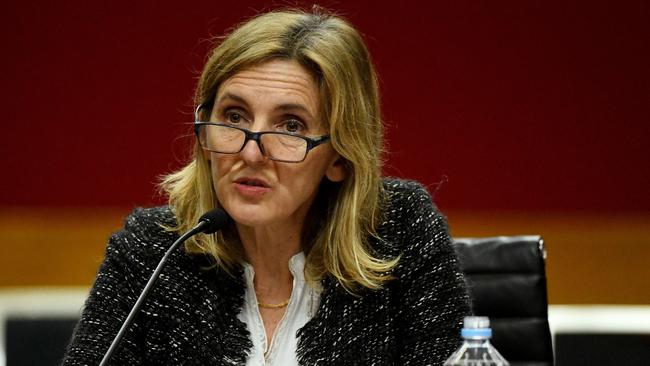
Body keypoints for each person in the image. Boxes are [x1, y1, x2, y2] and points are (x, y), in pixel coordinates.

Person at [62, 7, 470, 366]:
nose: (252, 154)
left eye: (291, 125)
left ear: (340, 157)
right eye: (235, 117)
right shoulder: (153, 251)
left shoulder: (398, 233)